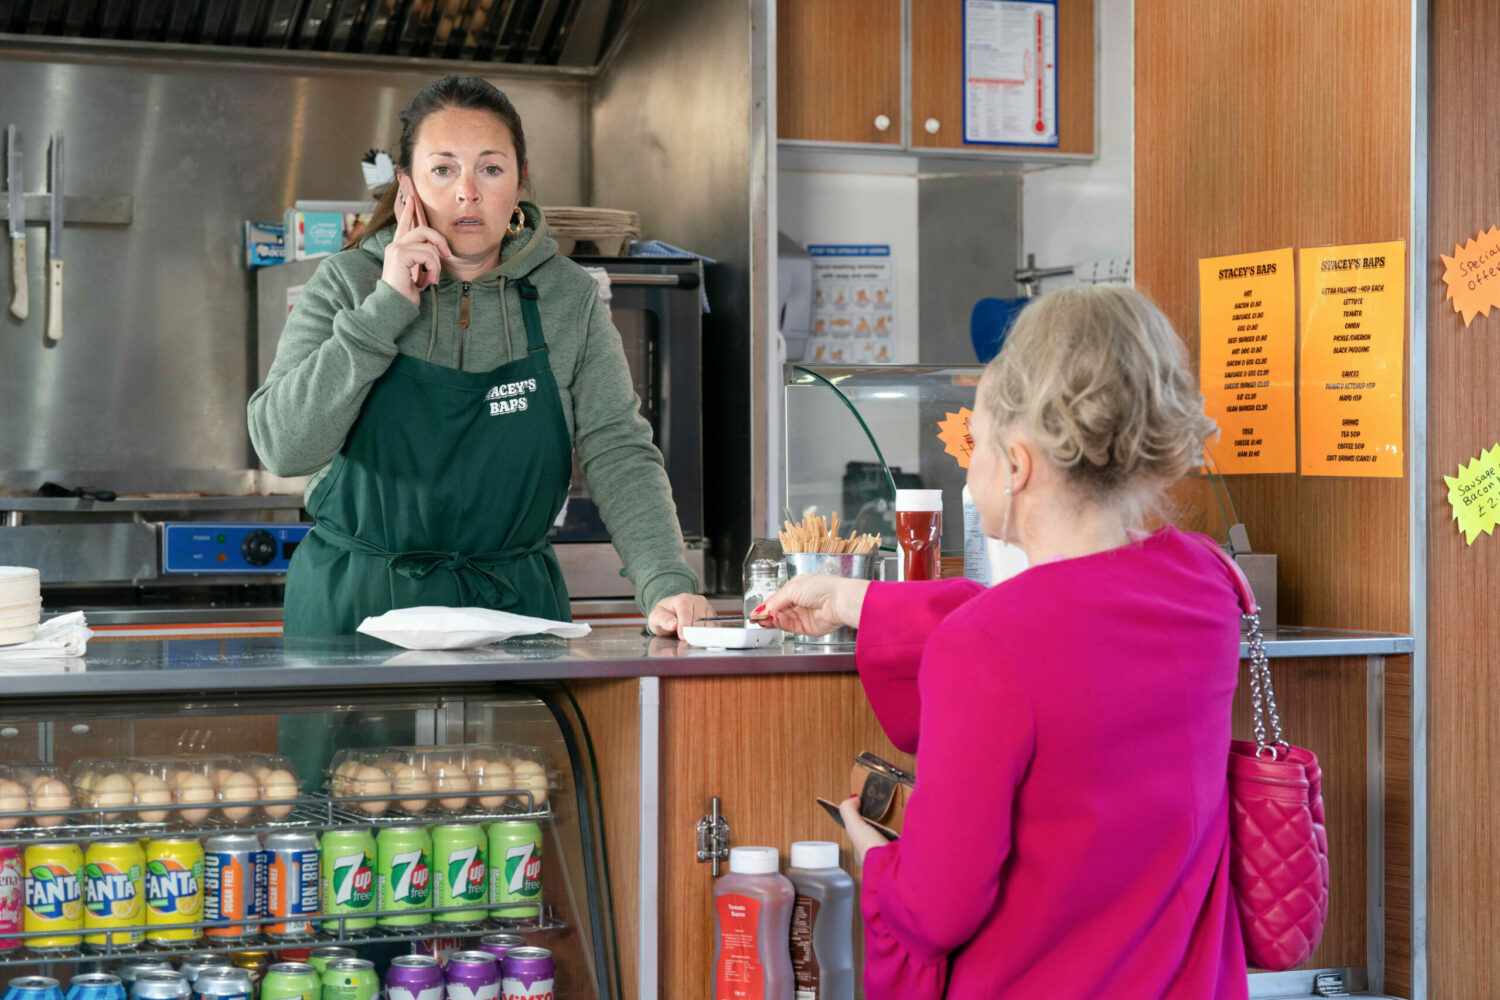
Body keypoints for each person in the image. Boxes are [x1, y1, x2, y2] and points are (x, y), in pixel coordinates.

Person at [764, 286, 1250, 999]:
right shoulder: (1206, 584)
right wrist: (852, 598)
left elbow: (935, 912)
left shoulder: (987, 647)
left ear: (1018, 466)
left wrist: (876, 863)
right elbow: (1067, 629)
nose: (968, 467)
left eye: (975, 444)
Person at [249, 75, 711, 637]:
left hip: (514, 611)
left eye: (490, 169)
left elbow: (617, 448)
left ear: (520, 183)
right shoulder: (347, 283)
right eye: (443, 169)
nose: (467, 192)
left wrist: (666, 580)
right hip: (358, 611)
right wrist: (387, 307)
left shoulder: (569, 297)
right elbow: (284, 447)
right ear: (406, 186)